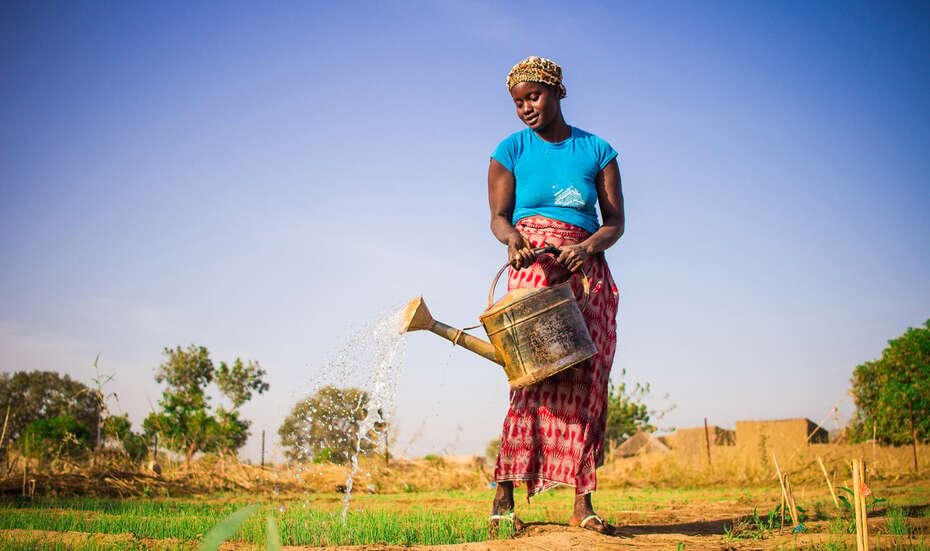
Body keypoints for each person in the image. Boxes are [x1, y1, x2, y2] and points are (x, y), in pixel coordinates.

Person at [487, 56, 624, 534]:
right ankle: (503, 497)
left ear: (557, 91)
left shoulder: (597, 150)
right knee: (529, 378)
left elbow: (615, 223)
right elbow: (498, 217)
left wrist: (586, 248)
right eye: (518, 102)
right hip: (533, 272)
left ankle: (582, 504)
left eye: (534, 96)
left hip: (585, 273)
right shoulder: (510, 150)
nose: (526, 108)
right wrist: (513, 241)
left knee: (586, 381)